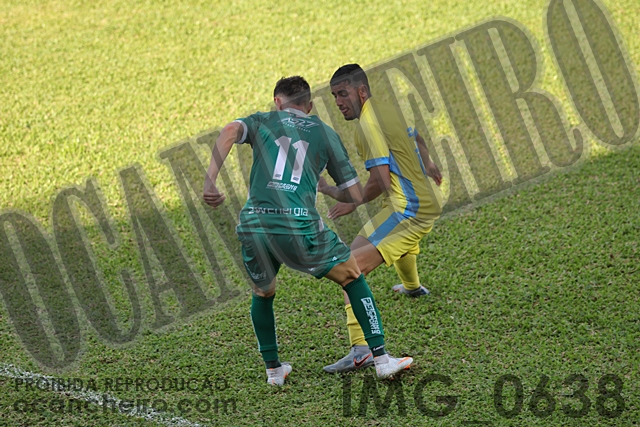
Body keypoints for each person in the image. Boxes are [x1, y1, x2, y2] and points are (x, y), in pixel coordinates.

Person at [203, 76, 412, 386]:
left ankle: (274, 371)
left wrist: (210, 181)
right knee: (352, 276)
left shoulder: (263, 120)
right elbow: (353, 192)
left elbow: (230, 131)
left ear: (277, 102)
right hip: (299, 226)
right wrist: (329, 190)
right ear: (310, 106)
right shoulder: (325, 133)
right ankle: (381, 359)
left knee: (263, 292)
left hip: (254, 225)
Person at [320, 64, 444, 374]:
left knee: (349, 268)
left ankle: (362, 350)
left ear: (361, 91)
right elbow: (416, 137)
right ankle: (412, 287)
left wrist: (349, 200)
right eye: (335, 96)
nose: (339, 102)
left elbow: (380, 181)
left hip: (409, 211)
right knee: (376, 246)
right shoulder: (386, 109)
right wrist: (428, 165)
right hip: (417, 202)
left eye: (343, 94)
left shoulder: (367, 126)